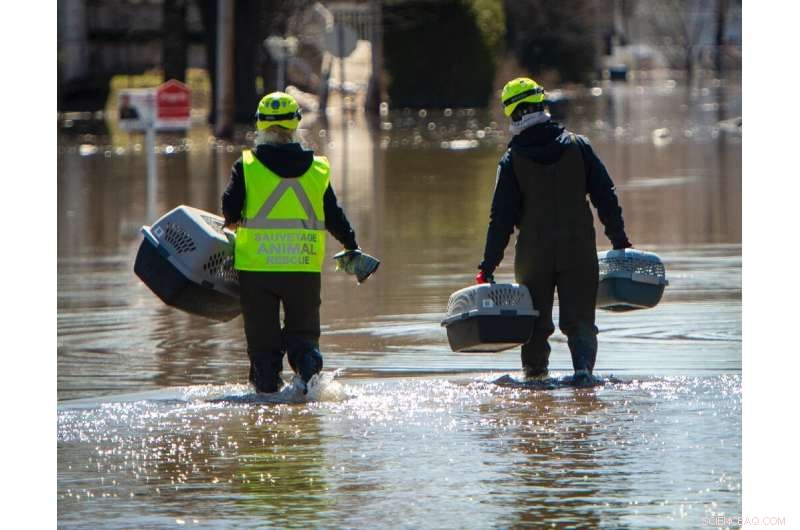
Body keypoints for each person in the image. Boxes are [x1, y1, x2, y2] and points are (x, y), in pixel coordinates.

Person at [477, 77, 632, 384]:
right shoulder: (579, 147)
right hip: (579, 252)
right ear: (542, 104)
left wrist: (488, 266)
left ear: (511, 113)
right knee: (581, 323)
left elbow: (501, 220)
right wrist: (619, 241)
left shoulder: (511, 161)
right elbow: (606, 196)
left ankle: (536, 385)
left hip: (534, 257)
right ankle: (584, 378)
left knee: (534, 326)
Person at [222, 91, 365, 393]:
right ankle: (311, 393)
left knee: (263, 347)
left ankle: (266, 403)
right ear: (297, 124)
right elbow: (333, 216)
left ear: (260, 125)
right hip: (303, 268)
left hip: (257, 270)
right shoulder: (317, 169)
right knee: (304, 338)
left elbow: (230, 210)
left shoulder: (246, 166)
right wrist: (350, 244)